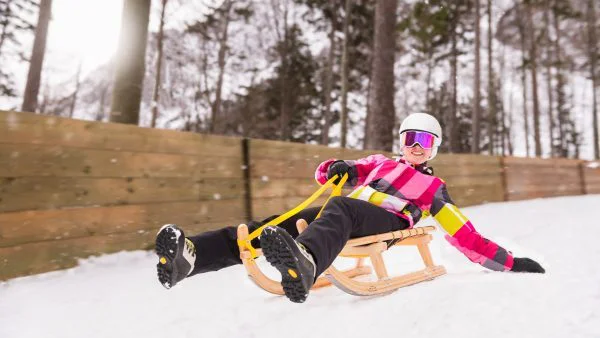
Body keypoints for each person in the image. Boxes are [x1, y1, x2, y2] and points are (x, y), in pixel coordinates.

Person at [155, 113, 545, 303]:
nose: (415, 145)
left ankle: (306, 260)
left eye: (424, 140)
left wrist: (509, 262)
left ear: (434, 147)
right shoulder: (379, 162)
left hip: (384, 223)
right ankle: (192, 256)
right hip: (343, 216)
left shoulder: (433, 188)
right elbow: (329, 174)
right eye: (410, 137)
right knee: (276, 224)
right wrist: (336, 167)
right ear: (401, 140)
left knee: (340, 206)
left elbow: (465, 235)